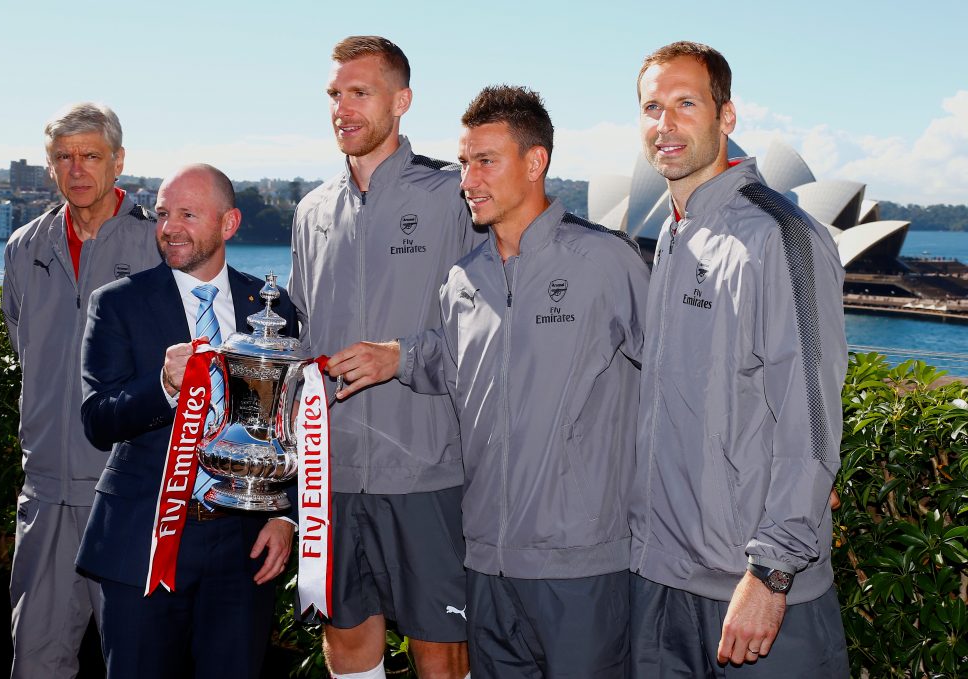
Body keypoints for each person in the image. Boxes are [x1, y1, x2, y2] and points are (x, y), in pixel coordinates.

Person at [330, 85, 649, 678]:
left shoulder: (606, 262)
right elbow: (450, 364)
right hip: (484, 560)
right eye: (463, 163)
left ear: (535, 163)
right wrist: (395, 356)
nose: (468, 180)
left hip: (580, 564)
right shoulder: (464, 279)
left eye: (486, 162)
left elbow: (677, 381)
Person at [627, 41, 850, 677]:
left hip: (749, 588)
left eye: (685, 103)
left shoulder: (781, 237)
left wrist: (772, 572)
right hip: (663, 578)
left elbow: (810, 421)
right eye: (651, 106)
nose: (664, 123)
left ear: (726, 117)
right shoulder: (675, 232)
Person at [287, 35, 482, 679]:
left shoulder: (452, 196)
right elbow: (299, 341)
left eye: (360, 93)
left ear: (401, 102)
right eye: (335, 95)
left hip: (429, 472)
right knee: (345, 645)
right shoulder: (311, 211)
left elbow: (492, 330)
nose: (344, 108)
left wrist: (402, 356)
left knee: (439, 652)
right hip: (330, 479)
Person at [75, 164, 297, 679]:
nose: (169, 227)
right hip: (142, 541)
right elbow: (97, 420)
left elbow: (293, 425)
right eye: (162, 214)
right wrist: (165, 387)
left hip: (244, 548)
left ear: (229, 223)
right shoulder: (117, 303)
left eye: (188, 214)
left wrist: (285, 517)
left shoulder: (271, 308)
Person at [1, 102, 162, 679]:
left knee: (138, 662)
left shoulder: (156, 247)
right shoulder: (24, 246)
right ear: (49, 169)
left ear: (118, 161)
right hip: (44, 491)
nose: (77, 169)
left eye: (91, 155)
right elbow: (28, 348)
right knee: (36, 663)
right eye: (63, 158)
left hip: (129, 493)